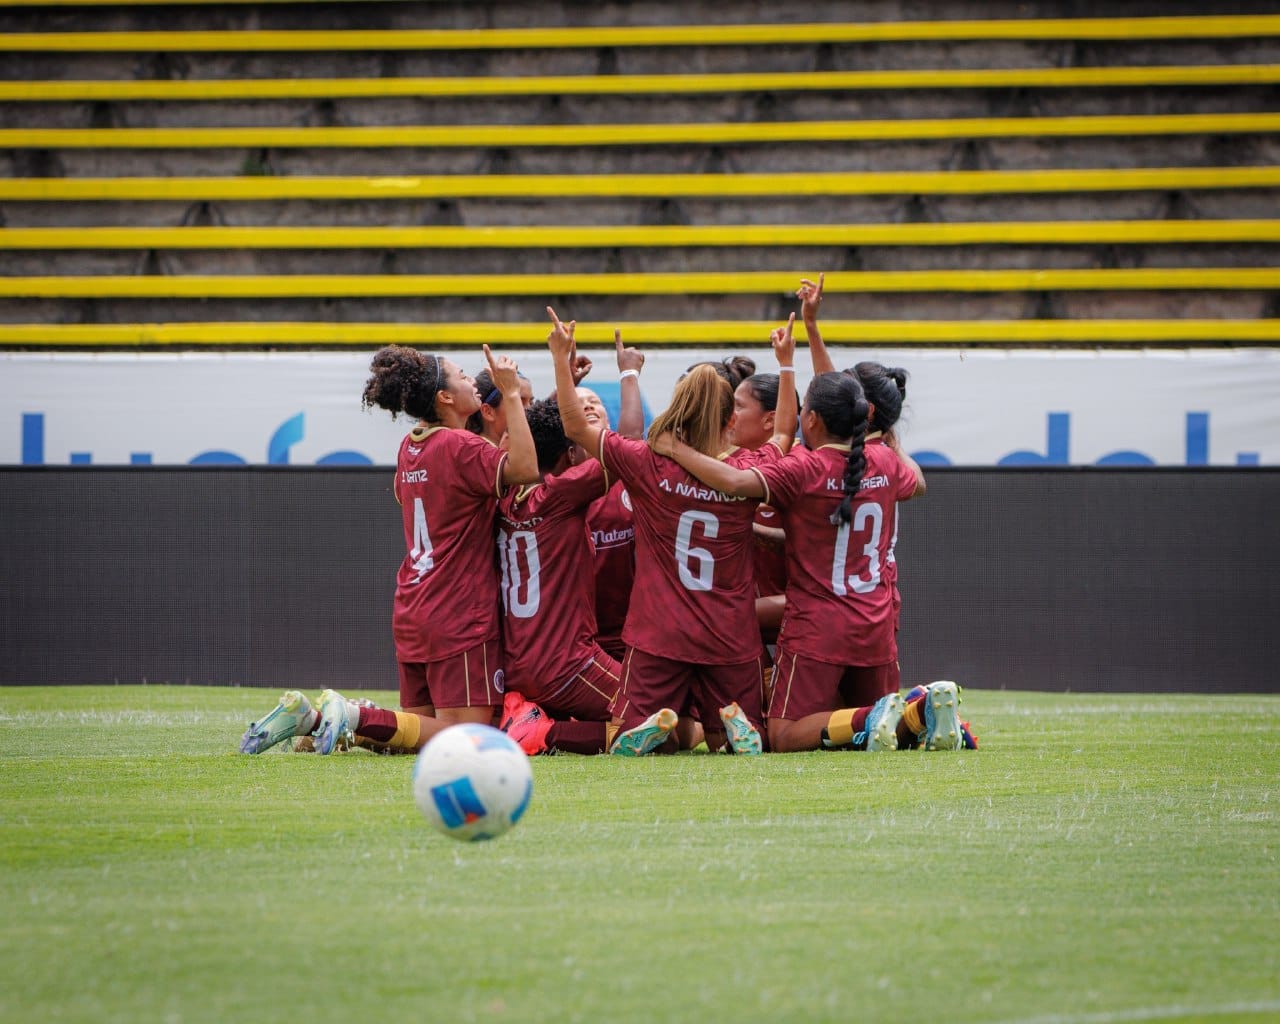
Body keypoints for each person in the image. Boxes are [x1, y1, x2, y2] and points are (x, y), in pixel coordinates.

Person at [239, 343, 540, 755]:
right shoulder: (460, 446)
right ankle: (354, 715)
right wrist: (510, 393)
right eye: (462, 376)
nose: (472, 379)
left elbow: (415, 495)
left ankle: (314, 720)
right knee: (470, 738)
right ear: (445, 397)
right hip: (458, 610)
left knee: (416, 737)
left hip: (414, 605)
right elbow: (526, 469)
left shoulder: (410, 445)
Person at [654, 368, 962, 752]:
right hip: (875, 623)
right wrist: (891, 440)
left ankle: (872, 715)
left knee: (784, 735)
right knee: (873, 721)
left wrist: (675, 449)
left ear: (812, 419)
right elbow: (917, 481)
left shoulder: (804, 467)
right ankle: (920, 711)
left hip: (819, 626)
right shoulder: (883, 460)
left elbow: (733, 482)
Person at [546, 306, 796, 756]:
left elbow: (575, 426)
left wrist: (561, 363)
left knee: (626, 731)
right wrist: (787, 364)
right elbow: (782, 434)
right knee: (728, 739)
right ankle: (730, 731)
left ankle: (653, 727)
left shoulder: (648, 463)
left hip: (659, 631)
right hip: (729, 632)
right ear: (730, 421)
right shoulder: (747, 469)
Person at [494, 398, 621, 755]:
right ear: (571, 453)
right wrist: (629, 375)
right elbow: (624, 447)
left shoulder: (503, 496)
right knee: (659, 723)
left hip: (515, 665)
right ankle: (544, 733)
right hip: (568, 665)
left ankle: (531, 719)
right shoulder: (561, 492)